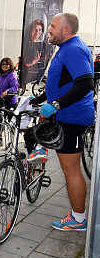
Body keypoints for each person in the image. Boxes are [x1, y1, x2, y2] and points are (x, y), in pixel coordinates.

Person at [30, 13, 94, 231]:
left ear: (66, 29)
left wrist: (56, 105)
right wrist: (38, 99)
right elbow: (64, 83)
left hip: (71, 117)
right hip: (64, 114)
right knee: (41, 129)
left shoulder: (74, 49)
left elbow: (86, 83)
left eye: (53, 27)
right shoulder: (67, 48)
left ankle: (78, 218)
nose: (49, 30)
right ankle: (40, 150)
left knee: (71, 170)